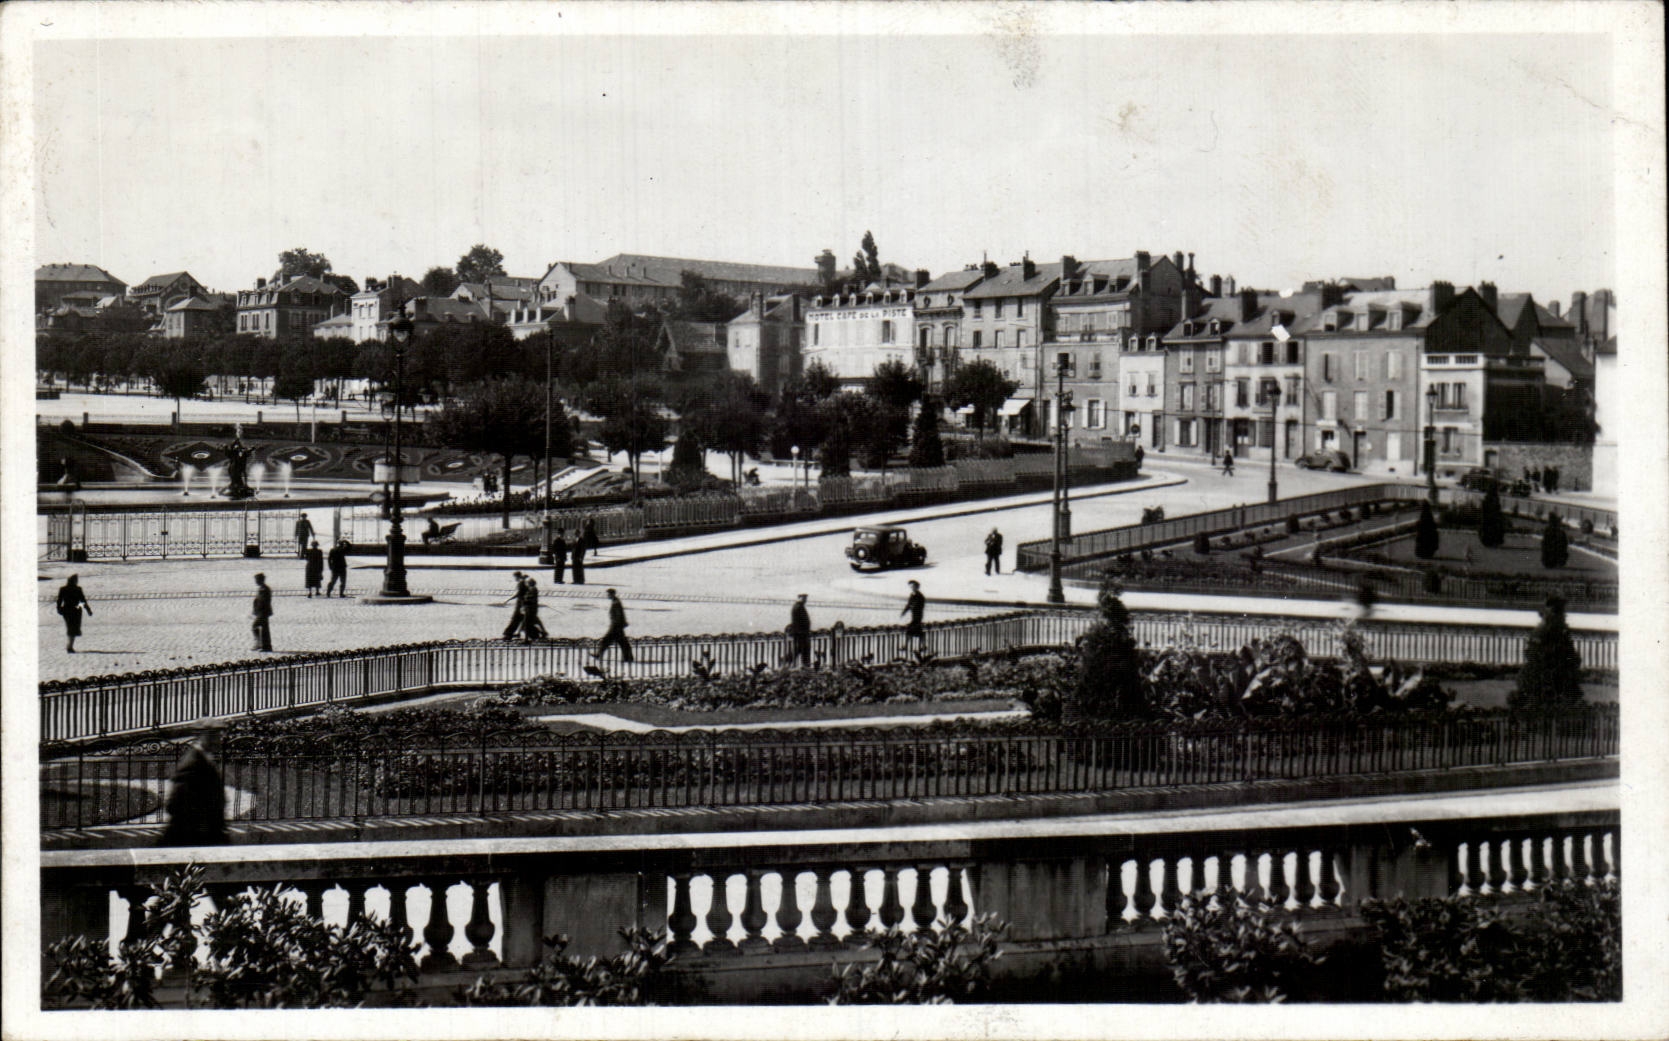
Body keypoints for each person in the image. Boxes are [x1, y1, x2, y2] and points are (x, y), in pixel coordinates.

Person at [158, 723, 229, 847]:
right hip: (192, 836)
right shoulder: (192, 762)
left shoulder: (204, 757)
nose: (218, 741)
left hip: (206, 833)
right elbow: (174, 803)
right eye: (214, 736)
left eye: (218, 736)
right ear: (202, 737)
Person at [594, 588, 634, 662]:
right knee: (622, 642)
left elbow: (618, 615)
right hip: (617, 626)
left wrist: (615, 625)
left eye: (608, 594)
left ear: (612, 594)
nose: (607, 596)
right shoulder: (615, 602)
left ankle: (598, 654)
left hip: (616, 626)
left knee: (607, 640)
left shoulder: (616, 603)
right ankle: (628, 658)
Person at [55, 574, 92, 653]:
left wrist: (59, 609)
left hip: (67, 610)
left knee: (71, 628)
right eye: (76, 580)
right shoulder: (77, 589)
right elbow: (82, 600)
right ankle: (70, 646)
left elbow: (59, 600)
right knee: (73, 628)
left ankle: (70, 646)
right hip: (75, 611)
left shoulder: (63, 589)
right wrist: (87, 609)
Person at [787, 593, 812, 668]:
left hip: (801, 632)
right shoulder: (798, 607)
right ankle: (805, 665)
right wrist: (803, 631)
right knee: (802, 649)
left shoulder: (799, 606)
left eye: (806, 598)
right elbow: (798, 621)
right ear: (799, 598)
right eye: (804, 598)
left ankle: (788, 661)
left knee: (800, 649)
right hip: (801, 633)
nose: (805, 600)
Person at [901, 580, 926, 653]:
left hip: (918, 616)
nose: (912, 588)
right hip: (914, 616)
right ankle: (923, 646)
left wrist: (911, 607)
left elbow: (919, 606)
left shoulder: (920, 596)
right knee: (918, 632)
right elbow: (909, 604)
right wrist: (904, 612)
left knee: (911, 631)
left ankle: (906, 646)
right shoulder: (912, 595)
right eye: (911, 586)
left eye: (913, 586)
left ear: (917, 587)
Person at [251, 573, 273, 652]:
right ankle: (266, 646)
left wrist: (258, 610)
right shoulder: (262, 588)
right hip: (262, 612)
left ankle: (259, 644)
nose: (255, 581)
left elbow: (263, 602)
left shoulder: (264, 589)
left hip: (263, 612)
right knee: (264, 629)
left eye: (257, 580)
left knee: (255, 626)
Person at [520, 576, 547, 642]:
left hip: (530, 609)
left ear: (530, 583)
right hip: (531, 608)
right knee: (533, 621)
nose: (527, 583)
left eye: (528, 582)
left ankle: (527, 639)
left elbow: (531, 599)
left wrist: (524, 601)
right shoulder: (532, 589)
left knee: (527, 623)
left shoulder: (532, 589)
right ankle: (542, 632)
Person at [501, 571, 527, 639]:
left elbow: (518, 593)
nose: (514, 579)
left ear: (517, 576)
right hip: (523, 602)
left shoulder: (521, 583)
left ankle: (508, 633)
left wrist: (508, 599)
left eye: (515, 577)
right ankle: (516, 632)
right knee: (520, 618)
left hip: (521, 603)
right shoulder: (523, 582)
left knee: (516, 618)